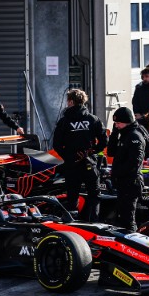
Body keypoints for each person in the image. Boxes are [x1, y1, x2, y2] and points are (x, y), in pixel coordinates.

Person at [51, 89, 108, 221]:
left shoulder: (64, 122)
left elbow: (57, 145)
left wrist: (69, 157)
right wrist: (92, 152)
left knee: (72, 196)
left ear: (71, 102)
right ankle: (94, 224)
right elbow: (104, 141)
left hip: (72, 165)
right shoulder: (93, 119)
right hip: (90, 163)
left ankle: (74, 225)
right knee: (94, 195)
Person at [107, 106, 149, 232]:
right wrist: (114, 134)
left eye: (118, 123)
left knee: (128, 220)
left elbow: (134, 164)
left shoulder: (135, 136)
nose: (117, 125)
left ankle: (134, 242)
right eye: (115, 123)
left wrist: (117, 173)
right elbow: (110, 152)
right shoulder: (123, 134)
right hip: (122, 183)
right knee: (121, 218)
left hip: (131, 183)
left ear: (127, 122)